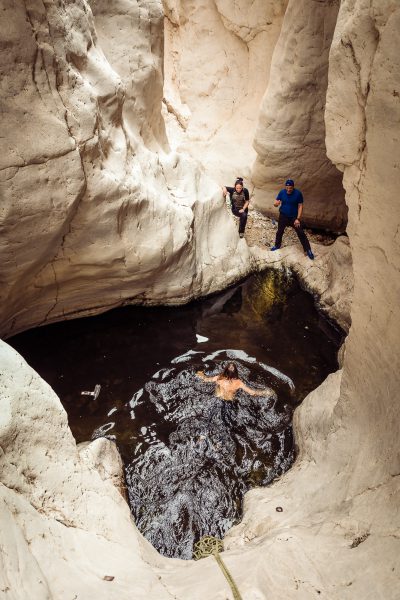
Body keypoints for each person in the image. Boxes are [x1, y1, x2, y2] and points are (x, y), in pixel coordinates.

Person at [270, 179, 314, 260]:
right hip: (283, 215)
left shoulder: (298, 194)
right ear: (285, 187)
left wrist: (298, 218)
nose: (288, 189)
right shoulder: (282, 192)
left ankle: (308, 249)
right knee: (280, 231)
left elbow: (300, 206)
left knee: (300, 232)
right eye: (287, 187)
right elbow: (275, 203)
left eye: (290, 188)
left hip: (294, 217)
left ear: (293, 187)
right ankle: (277, 245)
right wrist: (276, 204)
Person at [196, 362, 272, 401]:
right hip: (229, 400)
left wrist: (200, 374)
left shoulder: (219, 378)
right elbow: (252, 392)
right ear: (236, 372)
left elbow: (205, 380)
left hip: (217, 397)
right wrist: (266, 392)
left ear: (225, 370)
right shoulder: (239, 382)